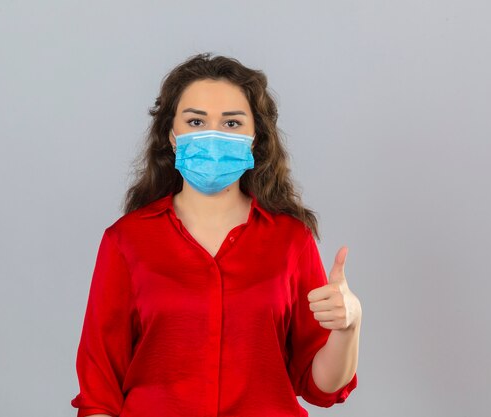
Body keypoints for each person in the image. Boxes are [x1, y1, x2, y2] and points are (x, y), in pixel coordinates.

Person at [70, 52, 361, 417]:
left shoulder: (291, 241)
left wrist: (349, 326)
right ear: (172, 136)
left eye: (231, 123)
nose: (211, 137)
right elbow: (99, 389)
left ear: (254, 137)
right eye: (195, 121)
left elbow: (321, 387)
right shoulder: (126, 242)